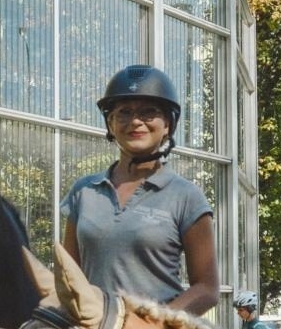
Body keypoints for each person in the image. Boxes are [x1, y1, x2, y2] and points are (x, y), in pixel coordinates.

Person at [61, 65, 219, 315]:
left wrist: (153, 325)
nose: (135, 121)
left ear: (167, 124)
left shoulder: (186, 196)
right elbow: (69, 276)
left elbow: (207, 289)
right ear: (110, 123)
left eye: (149, 112)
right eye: (124, 112)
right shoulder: (83, 191)